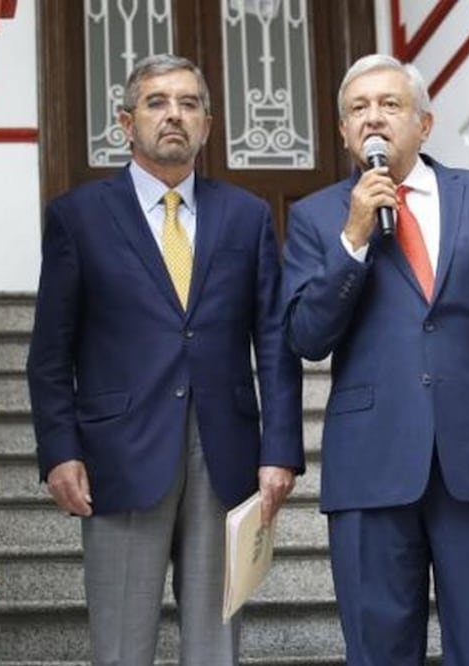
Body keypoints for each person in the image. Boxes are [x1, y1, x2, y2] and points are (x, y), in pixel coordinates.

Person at [281, 54, 469, 665]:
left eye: (389, 104)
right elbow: (306, 337)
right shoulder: (315, 217)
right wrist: (353, 239)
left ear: (425, 123)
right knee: (379, 650)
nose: (373, 118)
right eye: (358, 109)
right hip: (371, 464)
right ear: (343, 132)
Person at [26, 54, 303, 666]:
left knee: (215, 645)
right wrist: (59, 450)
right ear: (126, 123)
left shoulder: (248, 216)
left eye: (188, 104)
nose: (173, 115)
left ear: (207, 124)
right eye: (156, 102)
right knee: (122, 646)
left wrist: (280, 449)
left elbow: (275, 342)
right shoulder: (78, 217)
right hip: (117, 455)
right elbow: (50, 352)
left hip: (225, 454)